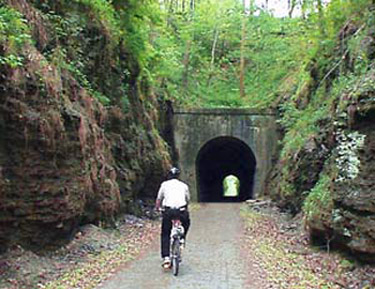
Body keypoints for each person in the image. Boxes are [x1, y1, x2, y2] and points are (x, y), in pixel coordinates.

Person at [155, 167, 190, 269]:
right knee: (187, 222)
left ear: (169, 175)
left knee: (165, 232)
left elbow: (159, 199)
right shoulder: (184, 185)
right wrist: (185, 207)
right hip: (181, 210)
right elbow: (187, 199)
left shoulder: (164, 185)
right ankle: (182, 238)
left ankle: (166, 258)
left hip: (168, 211)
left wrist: (158, 208)